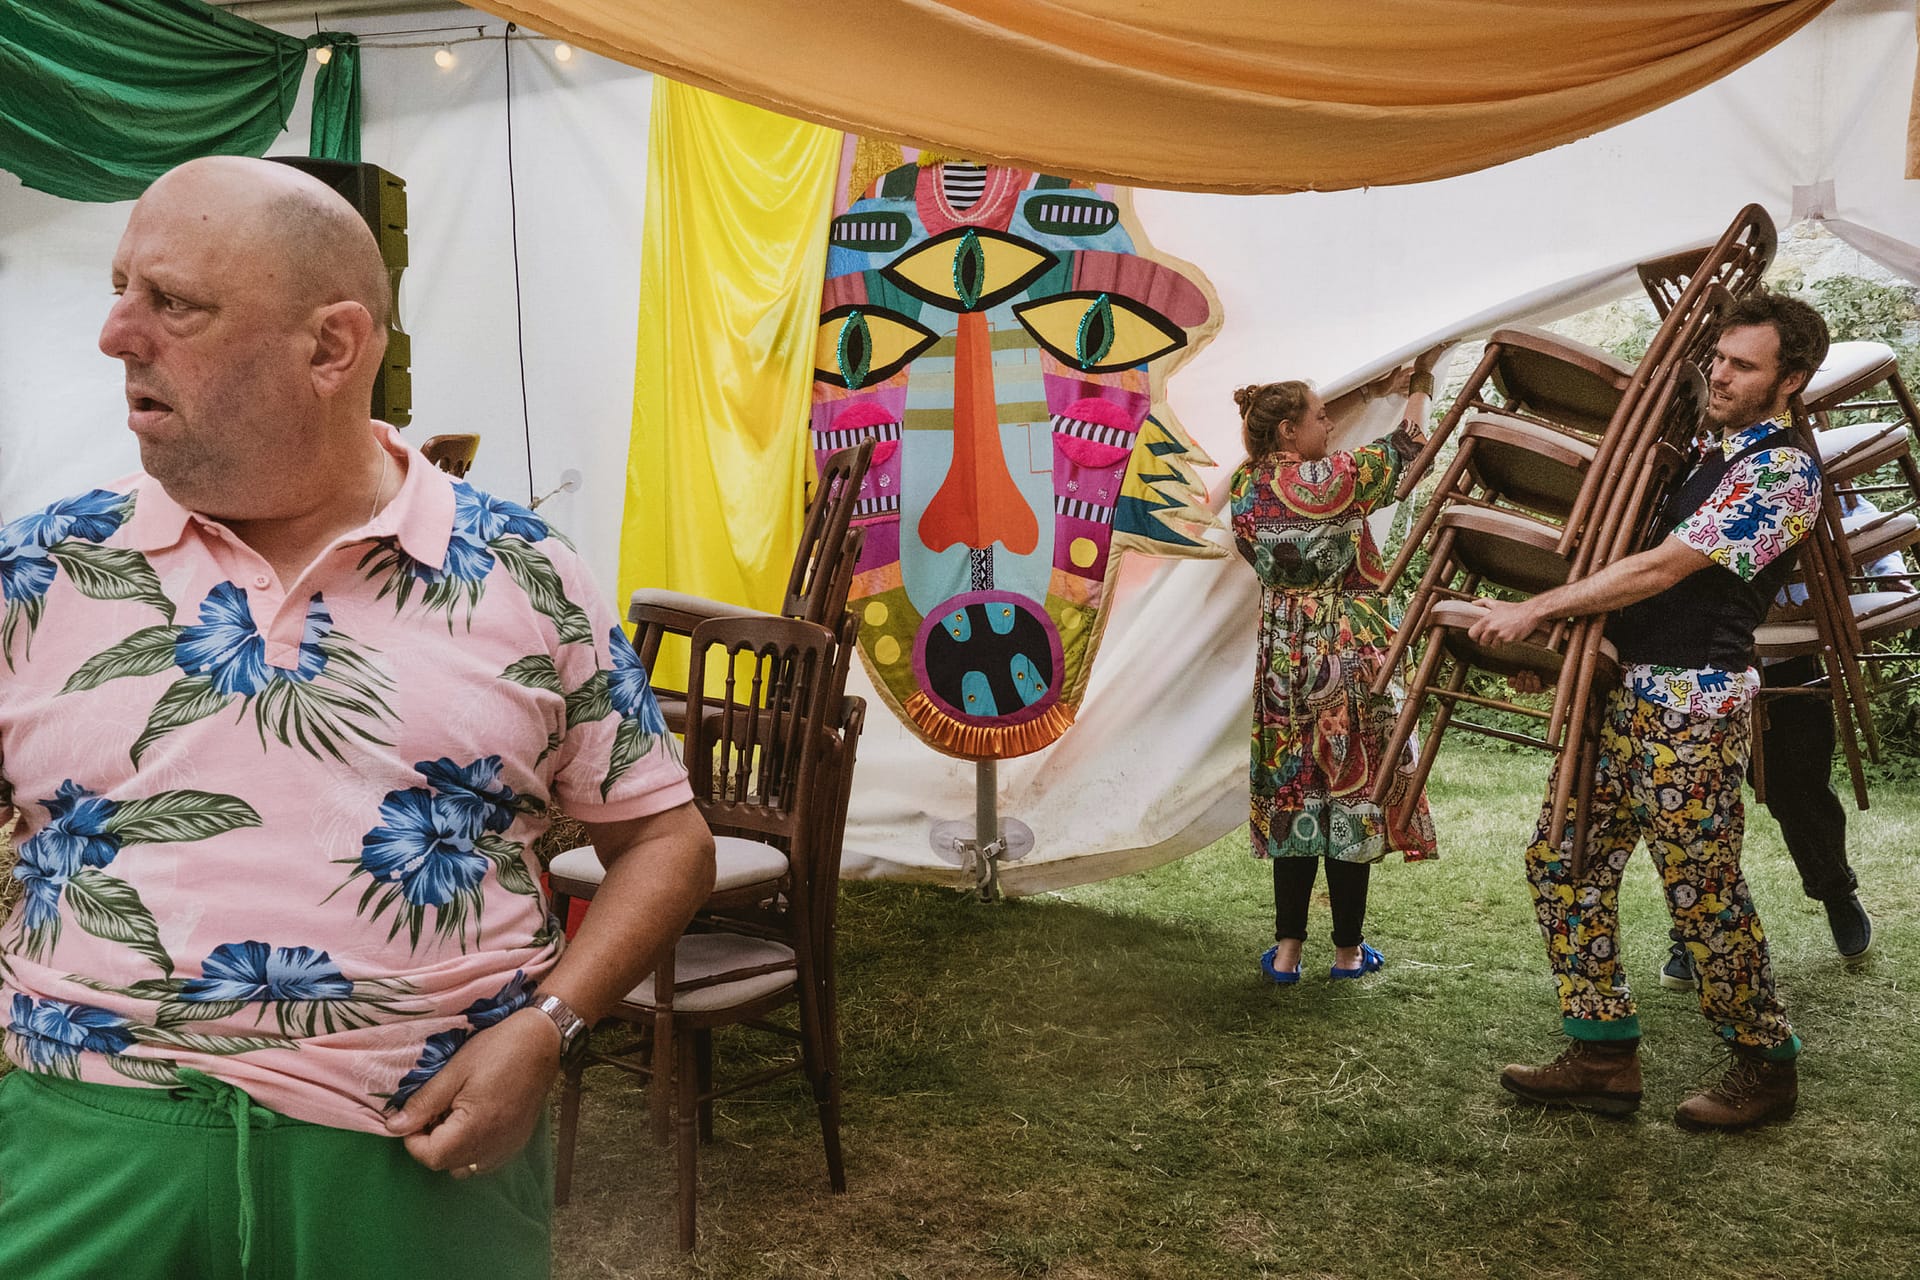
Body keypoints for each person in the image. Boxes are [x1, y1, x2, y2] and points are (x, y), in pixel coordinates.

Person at [0, 157, 716, 1278]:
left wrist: (549, 1029)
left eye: (172, 302)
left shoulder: (521, 574)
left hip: (420, 1164)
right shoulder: (38, 573)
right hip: (85, 1155)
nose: (115, 334)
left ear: (331, 347)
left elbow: (666, 841)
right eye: (119, 286)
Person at [1470, 290, 1828, 1132]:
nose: (1722, 374)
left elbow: (1664, 569)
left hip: (1691, 714)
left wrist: (1542, 608)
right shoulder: (1705, 452)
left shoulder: (1782, 473)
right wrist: (1562, 653)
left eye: (1745, 366)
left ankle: (1765, 1064)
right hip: (1623, 696)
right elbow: (1627, 568)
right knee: (1564, 862)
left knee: (1701, 892)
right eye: (1721, 358)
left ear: (1792, 380)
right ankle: (1602, 1052)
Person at [1228, 360, 1440, 985]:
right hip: (1344, 652)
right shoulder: (1329, 481)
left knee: (1293, 790)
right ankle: (1348, 951)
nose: (1331, 426)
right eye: (1321, 417)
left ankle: (1288, 952)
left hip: (1282, 659)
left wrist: (1373, 387)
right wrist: (1421, 385)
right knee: (1352, 791)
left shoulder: (1243, 486)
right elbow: (1410, 445)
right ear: (1290, 431)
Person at [1660, 490, 1893, 989]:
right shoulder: (1695, 479)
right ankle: (1694, 933)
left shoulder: (1819, 488)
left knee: (1802, 792)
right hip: (1702, 669)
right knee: (1695, 808)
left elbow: (1879, 552)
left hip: (1793, 668)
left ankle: (1836, 891)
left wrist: (1880, 580)